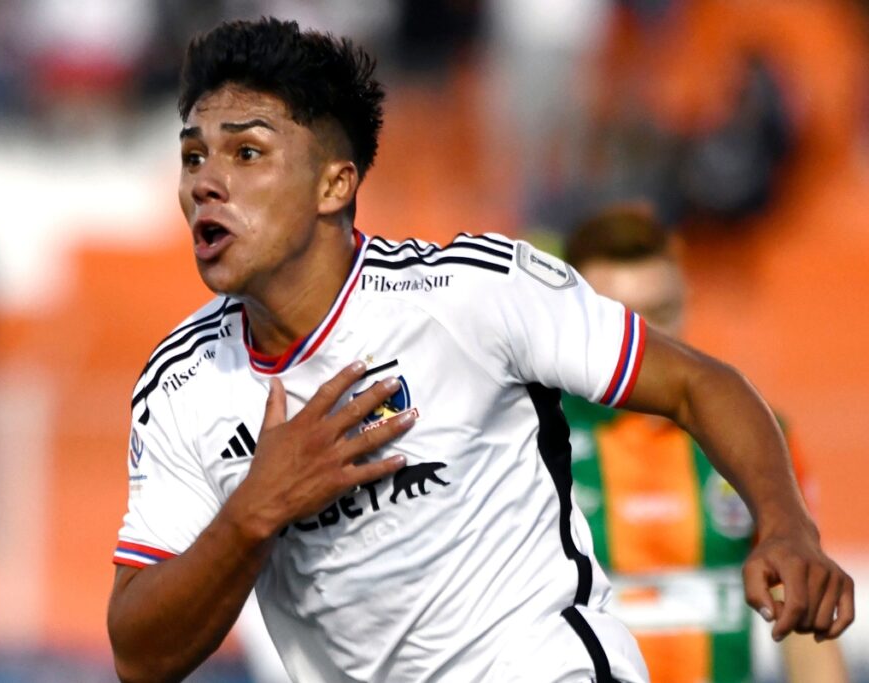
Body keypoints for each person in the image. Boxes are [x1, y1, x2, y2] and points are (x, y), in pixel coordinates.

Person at [106, 18, 853, 683]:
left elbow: (698, 382)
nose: (207, 183)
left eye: (246, 153)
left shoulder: (469, 294)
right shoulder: (182, 386)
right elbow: (139, 654)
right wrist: (252, 514)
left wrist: (786, 526)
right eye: (193, 157)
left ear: (334, 184)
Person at [561, 206, 849, 683]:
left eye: (662, 312)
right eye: (620, 319)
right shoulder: (535, 442)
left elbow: (803, 613)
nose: (645, 338)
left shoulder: (756, 439)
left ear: (688, 300)